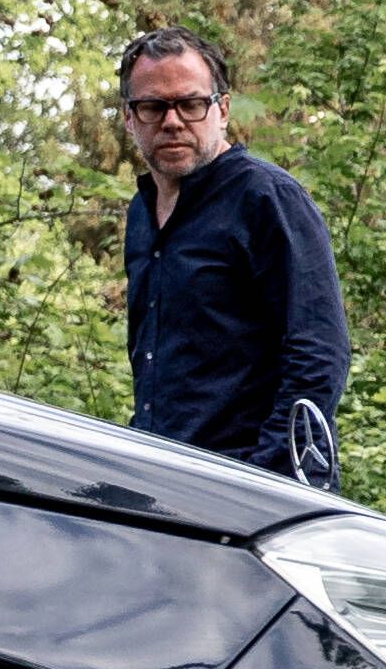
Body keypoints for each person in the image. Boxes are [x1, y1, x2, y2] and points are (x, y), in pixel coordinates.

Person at [114, 25, 348, 483]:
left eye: (190, 103)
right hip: (165, 483)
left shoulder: (266, 198)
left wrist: (264, 481)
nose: (173, 121)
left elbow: (319, 353)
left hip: (252, 491)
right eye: (153, 106)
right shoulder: (142, 214)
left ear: (221, 109)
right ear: (129, 118)